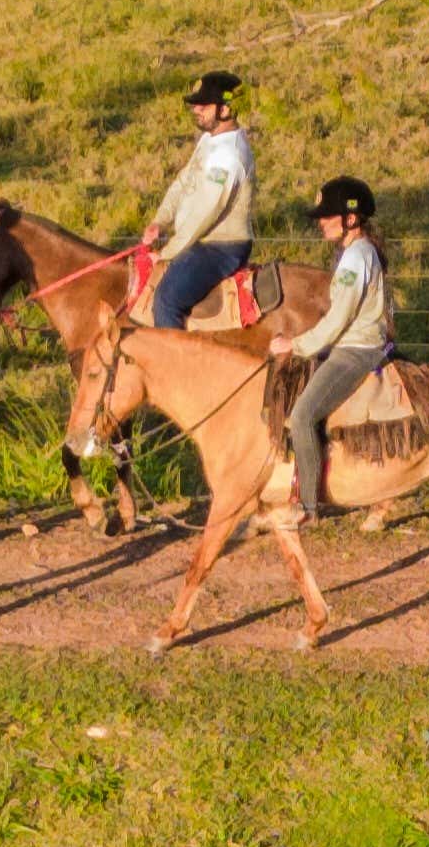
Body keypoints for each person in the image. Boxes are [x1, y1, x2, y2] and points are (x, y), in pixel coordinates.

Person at [273, 177, 395, 524]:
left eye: (328, 216)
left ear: (351, 219)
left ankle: (308, 507)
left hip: (356, 349)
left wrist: (295, 346)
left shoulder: (357, 258)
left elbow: (338, 318)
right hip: (349, 342)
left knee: (301, 415)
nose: (321, 222)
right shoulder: (353, 253)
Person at [136, 73, 260, 329]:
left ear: (226, 109)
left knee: (166, 300)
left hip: (221, 248)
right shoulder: (210, 140)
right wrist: (160, 220)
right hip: (201, 242)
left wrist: (169, 252)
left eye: (204, 105)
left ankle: (174, 365)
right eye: (195, 104)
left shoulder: (229, 156)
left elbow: (206, 213)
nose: (195, 109)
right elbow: (184, 181)